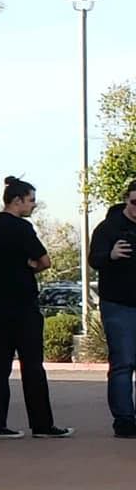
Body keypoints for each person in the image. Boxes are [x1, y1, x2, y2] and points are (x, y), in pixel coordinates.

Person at [0, 176, 69, 439]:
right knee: (32, 365)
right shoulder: (22, 228)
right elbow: (45, 261)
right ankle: (42, 424)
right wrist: (30, 266)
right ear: (17, 200)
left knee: (0, 364)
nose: (33, 205)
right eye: (31, 200)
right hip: (23, 304)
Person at [87, 176, 136, 439]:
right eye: (135, 202)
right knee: (123, 362)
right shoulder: (109, 228)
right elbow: (94, 259)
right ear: (126, 200)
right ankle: (124, 420)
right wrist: (111, 255)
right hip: (118, 304)